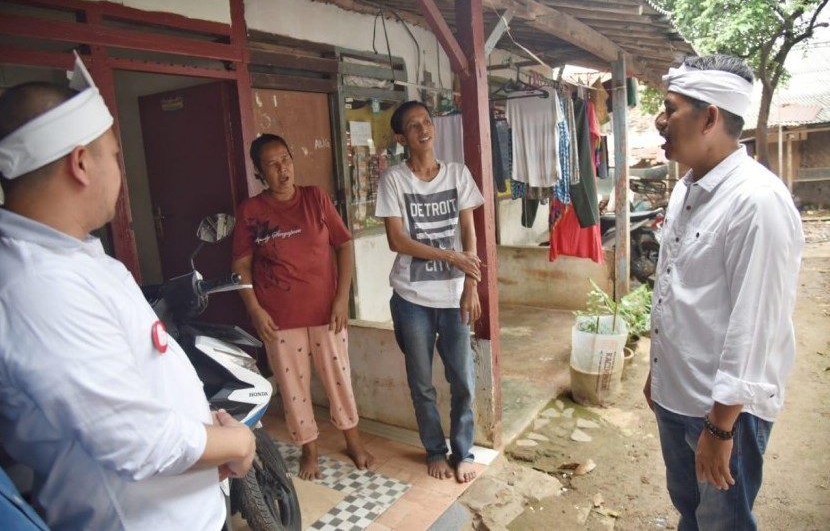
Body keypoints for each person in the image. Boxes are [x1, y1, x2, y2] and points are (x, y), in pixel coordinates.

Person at [0, 54, 256, 531]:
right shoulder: (39, 286)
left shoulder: (74, 256)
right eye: (114, 155)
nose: (119, 169)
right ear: (80, 163)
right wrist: (238, 444)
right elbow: (135, 438)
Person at [644, 54, 804, 530]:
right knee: (689, 511)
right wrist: (659, 370)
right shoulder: (686, 189)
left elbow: (755, 326)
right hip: (677, 394)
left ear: (709, 117)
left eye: (669, 108)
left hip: (722, 413)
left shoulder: (758, 202)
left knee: (723, 523)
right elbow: (676, 290)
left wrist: (720, 426)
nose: (660, 119)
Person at [231, 133, 373, 480]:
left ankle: (352, 440)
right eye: (272, 164)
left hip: (327, 311)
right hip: (279, 317)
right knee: (293, 387)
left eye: (286, 160)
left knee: (338, 378)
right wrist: (254, 309)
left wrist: (342, 298)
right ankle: (309, 449)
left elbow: (344, 245)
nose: (282, 169)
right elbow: (241, 266)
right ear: (260, 171)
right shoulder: (251, 210)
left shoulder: (315, 199)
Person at [375, 101, 485, 483]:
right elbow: (396, 239)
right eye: (413, 125)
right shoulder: (393, 180)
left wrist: (471, 283)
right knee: (421, 383)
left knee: (463, 381)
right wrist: (448, 255)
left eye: (426, 121)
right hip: (411, 300)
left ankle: (464, 450)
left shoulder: (457, 174)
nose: (423, 129)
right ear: (402, 138)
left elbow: (470, 232)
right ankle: (435, 450)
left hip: (454, 297)